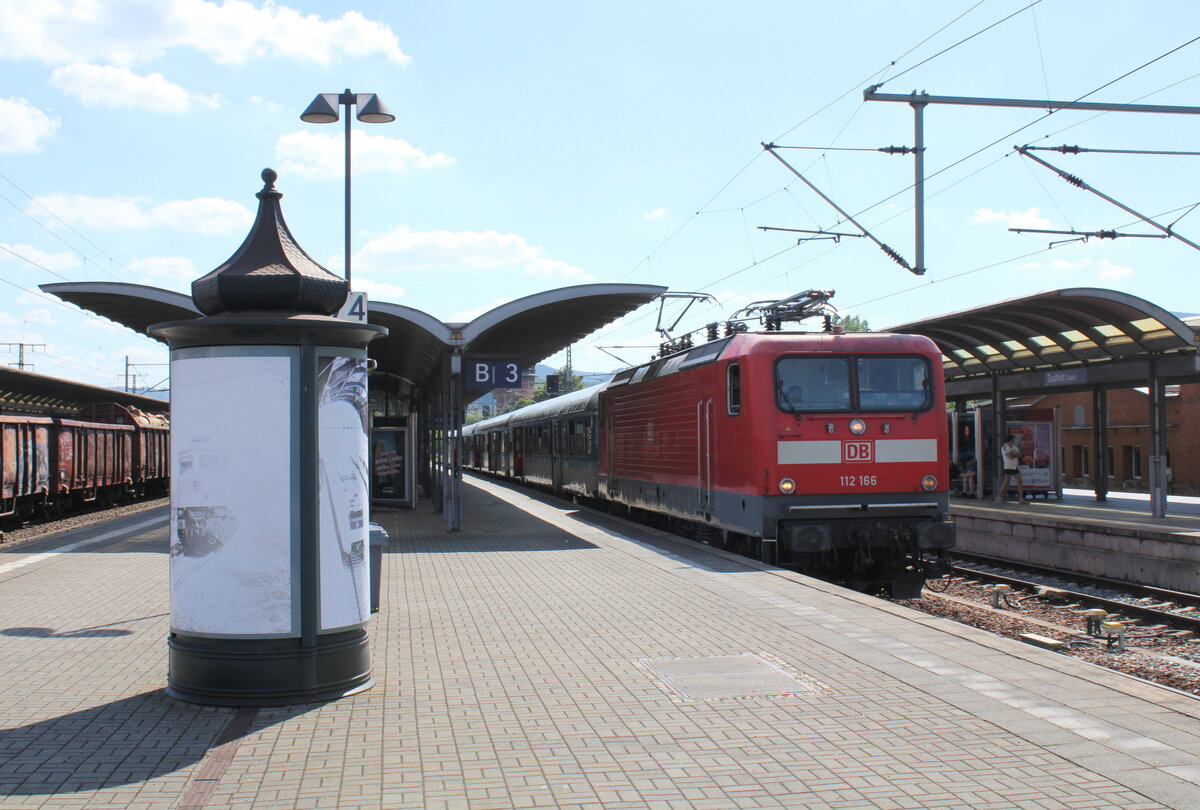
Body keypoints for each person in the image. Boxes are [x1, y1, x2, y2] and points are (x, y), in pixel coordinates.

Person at [1000, 434, 1024, 503]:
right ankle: (1000, 496)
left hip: (1015, 466)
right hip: (1008, 467)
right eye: (1013, 440)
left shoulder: (1014, 447)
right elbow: (1009, 456)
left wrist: (1014, 453)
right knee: (1006, 483)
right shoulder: (1004, 447)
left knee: (1020, 482)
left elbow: (1020, 455)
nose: (1014, 441)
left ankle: (1021, 498)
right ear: (1010, 440)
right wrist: (1015, 454)